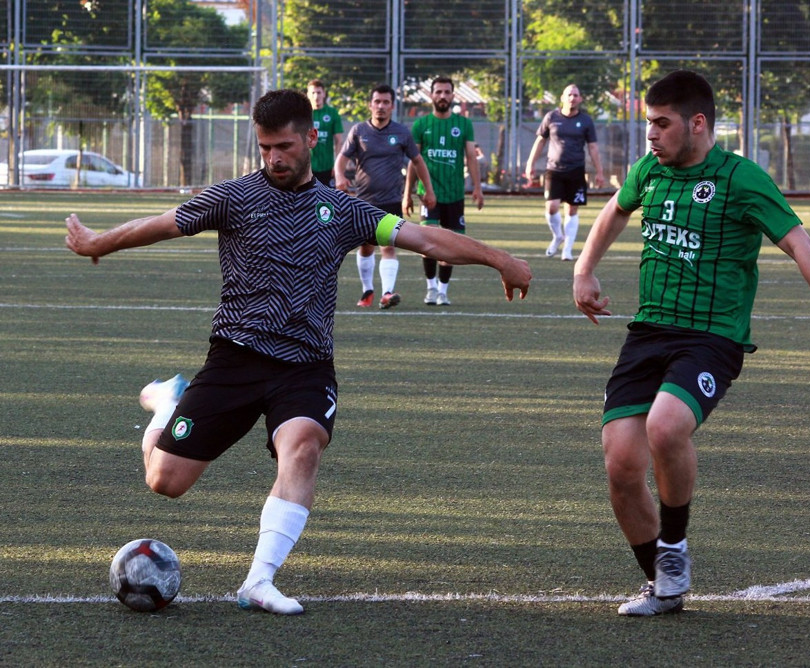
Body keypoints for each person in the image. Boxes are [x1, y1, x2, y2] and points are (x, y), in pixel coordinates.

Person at [65, 89, 531, 616]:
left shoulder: (345, 210)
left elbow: (424, 239)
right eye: (264, 148)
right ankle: (169, 407)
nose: (274, 159)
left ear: (312, 138)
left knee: (304, 444)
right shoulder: (233, 198)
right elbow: (162, 224)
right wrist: (98, 242)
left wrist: (499, 259)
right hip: (235, 359)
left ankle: (258, 582)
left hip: (305, 366)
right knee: (165, 482)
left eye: (284, 146)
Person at [572, 70, 810, 617]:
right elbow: (615, 210)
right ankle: (663, 585)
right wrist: (584, 270)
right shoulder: (648, 171)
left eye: (661, 124)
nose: (651, 137)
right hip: (648, 331)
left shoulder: (742, 179)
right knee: (620, 465)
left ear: (698, 123)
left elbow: (801, 245)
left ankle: (675, 545)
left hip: (711, 337)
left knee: (665, 426)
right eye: (648, 125)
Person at [334, 84, 437, 309]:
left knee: (388, 246)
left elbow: (418, 161)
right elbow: (341, 158)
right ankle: (367, 290)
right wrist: (340, 176)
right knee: (365, 247)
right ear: (370, 105)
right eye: (377, 102)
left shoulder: (401, 133)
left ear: (392, 106)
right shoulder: (359, 131)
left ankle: (387, 293)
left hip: (391, 199)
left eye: (386, 102)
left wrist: (428, 190)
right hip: (362, 200)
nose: (381, 106)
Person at [405, 75, 484, 306]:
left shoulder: (463, 124)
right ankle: (430, 288)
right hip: (427, 194)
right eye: (438, 92)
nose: (442, 96)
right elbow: (413, 160)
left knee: (450, 246)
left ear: (453, 96)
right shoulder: (421, 125)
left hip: (455, 194)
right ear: (432, 95)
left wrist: (477, 188)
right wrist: (406, 192)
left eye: (446, 92)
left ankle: (443, 290)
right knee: (427, 242)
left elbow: (471, 157)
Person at [525, 84, 605, 261]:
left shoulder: (586, 121)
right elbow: (540, 141)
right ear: (562, 97)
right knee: (552, 206)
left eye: (576, 95)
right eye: (569, 94)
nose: (572, 98)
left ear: (580, 99)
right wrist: (530, 163)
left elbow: (593, 147)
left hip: (576, 170)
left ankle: (567, 249)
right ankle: (557, 236)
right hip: (554, 169)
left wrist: (599, 172)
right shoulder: (551, 117)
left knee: (572, 209)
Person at [307, 79, 344, 187]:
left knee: (326, 201)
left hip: (327, 167)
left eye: (318, 92)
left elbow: (338, 141)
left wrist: (337, 166)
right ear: (308, 94)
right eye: (313, 93)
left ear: (324, 94)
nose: (316, 96)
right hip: (308, 168)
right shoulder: (303, 114)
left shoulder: (332, 113)